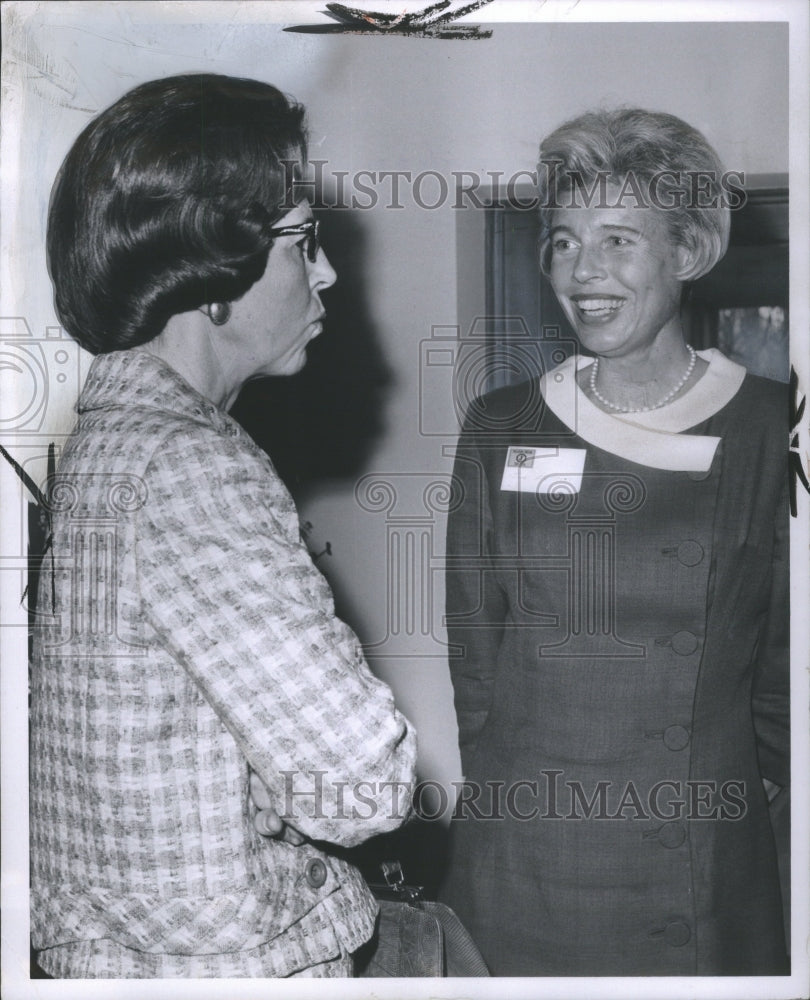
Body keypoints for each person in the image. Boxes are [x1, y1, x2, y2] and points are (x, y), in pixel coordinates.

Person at [29, 73, 417, 979]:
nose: (325, 272)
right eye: (302, 241)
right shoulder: (193, 467)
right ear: (213, 269)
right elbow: (359, 784)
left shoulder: (98, 443)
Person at [440, 108, 789, 976]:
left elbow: (783, 669)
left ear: (689, 252)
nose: (581, 271)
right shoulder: (502, 422)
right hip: (525, 852)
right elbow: (474, 651)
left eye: (618, 240)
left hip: (697, 858)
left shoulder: (768, 426)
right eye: (562, 241)